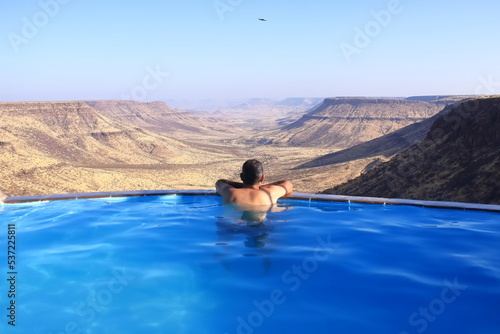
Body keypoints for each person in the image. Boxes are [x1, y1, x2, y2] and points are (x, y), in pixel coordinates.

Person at [215, 159, 293, 206]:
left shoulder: (230, 192)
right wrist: (261, 187)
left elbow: (220, 182)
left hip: (234, 228)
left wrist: (242, 186)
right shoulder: (269, 194)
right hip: (261, 228)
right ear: (262, 178)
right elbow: (288, 184)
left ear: (241, 177)